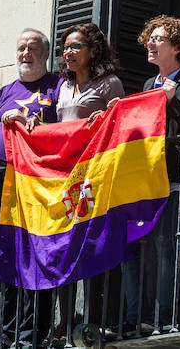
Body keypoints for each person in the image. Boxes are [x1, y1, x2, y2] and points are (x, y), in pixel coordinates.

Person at [0, 28, 62, 346]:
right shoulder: (6, 90)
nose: (25, 53)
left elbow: (65, 130)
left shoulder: (58, 86)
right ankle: (7, 335)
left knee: (39, 259)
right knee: (6, 259)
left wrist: (28, 122)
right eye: (21, 48)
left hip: (40, 187)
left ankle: (32, 334)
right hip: (5, 186)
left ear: (45, 53)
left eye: (32, 48)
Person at [123, 15, 180, 333]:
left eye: (158, 39)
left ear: (176, 46)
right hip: (147, 180)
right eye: (150, 38)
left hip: (176, 178)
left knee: (170, 247)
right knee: (143, 249)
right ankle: (142, 316)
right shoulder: (148, 85)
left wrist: (173, 102)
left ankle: (169, 316)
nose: (150, 43)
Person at [54, 23, 125, 337]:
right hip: (67, 179)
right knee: (66, 247)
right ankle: (67, 318)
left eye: (76, 46)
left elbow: (119, 124)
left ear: (93, 51)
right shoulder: (62, 87)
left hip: (95, 177)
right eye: (66, 47)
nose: (68, 52)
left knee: (93, 245)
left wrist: (104, 121)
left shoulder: (109, 84)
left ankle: (96, 317)